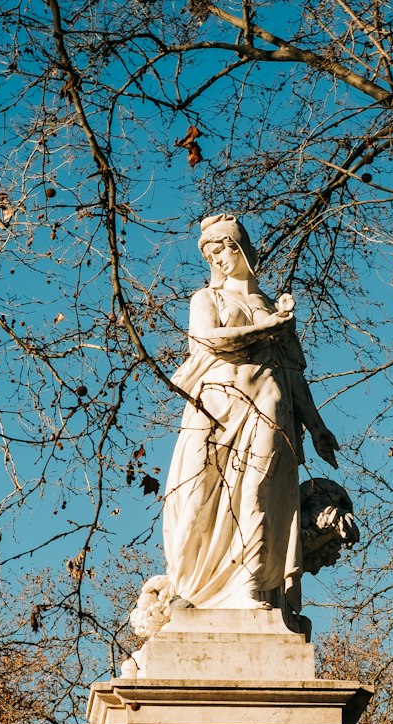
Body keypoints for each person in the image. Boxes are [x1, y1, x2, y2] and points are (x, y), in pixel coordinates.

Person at [162, 212, 339, 620]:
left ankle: (250, 583)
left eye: (223, 249)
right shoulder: (208, 299)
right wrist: (267, 329)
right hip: (216, 411)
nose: (219, 260)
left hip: (269, 409)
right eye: (210, 254)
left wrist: (316, 427)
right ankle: (188, 584)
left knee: (258, 494)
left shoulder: (273, 309)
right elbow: (207, 339)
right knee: (196, 498)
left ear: (241, 248)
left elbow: (293, 374)